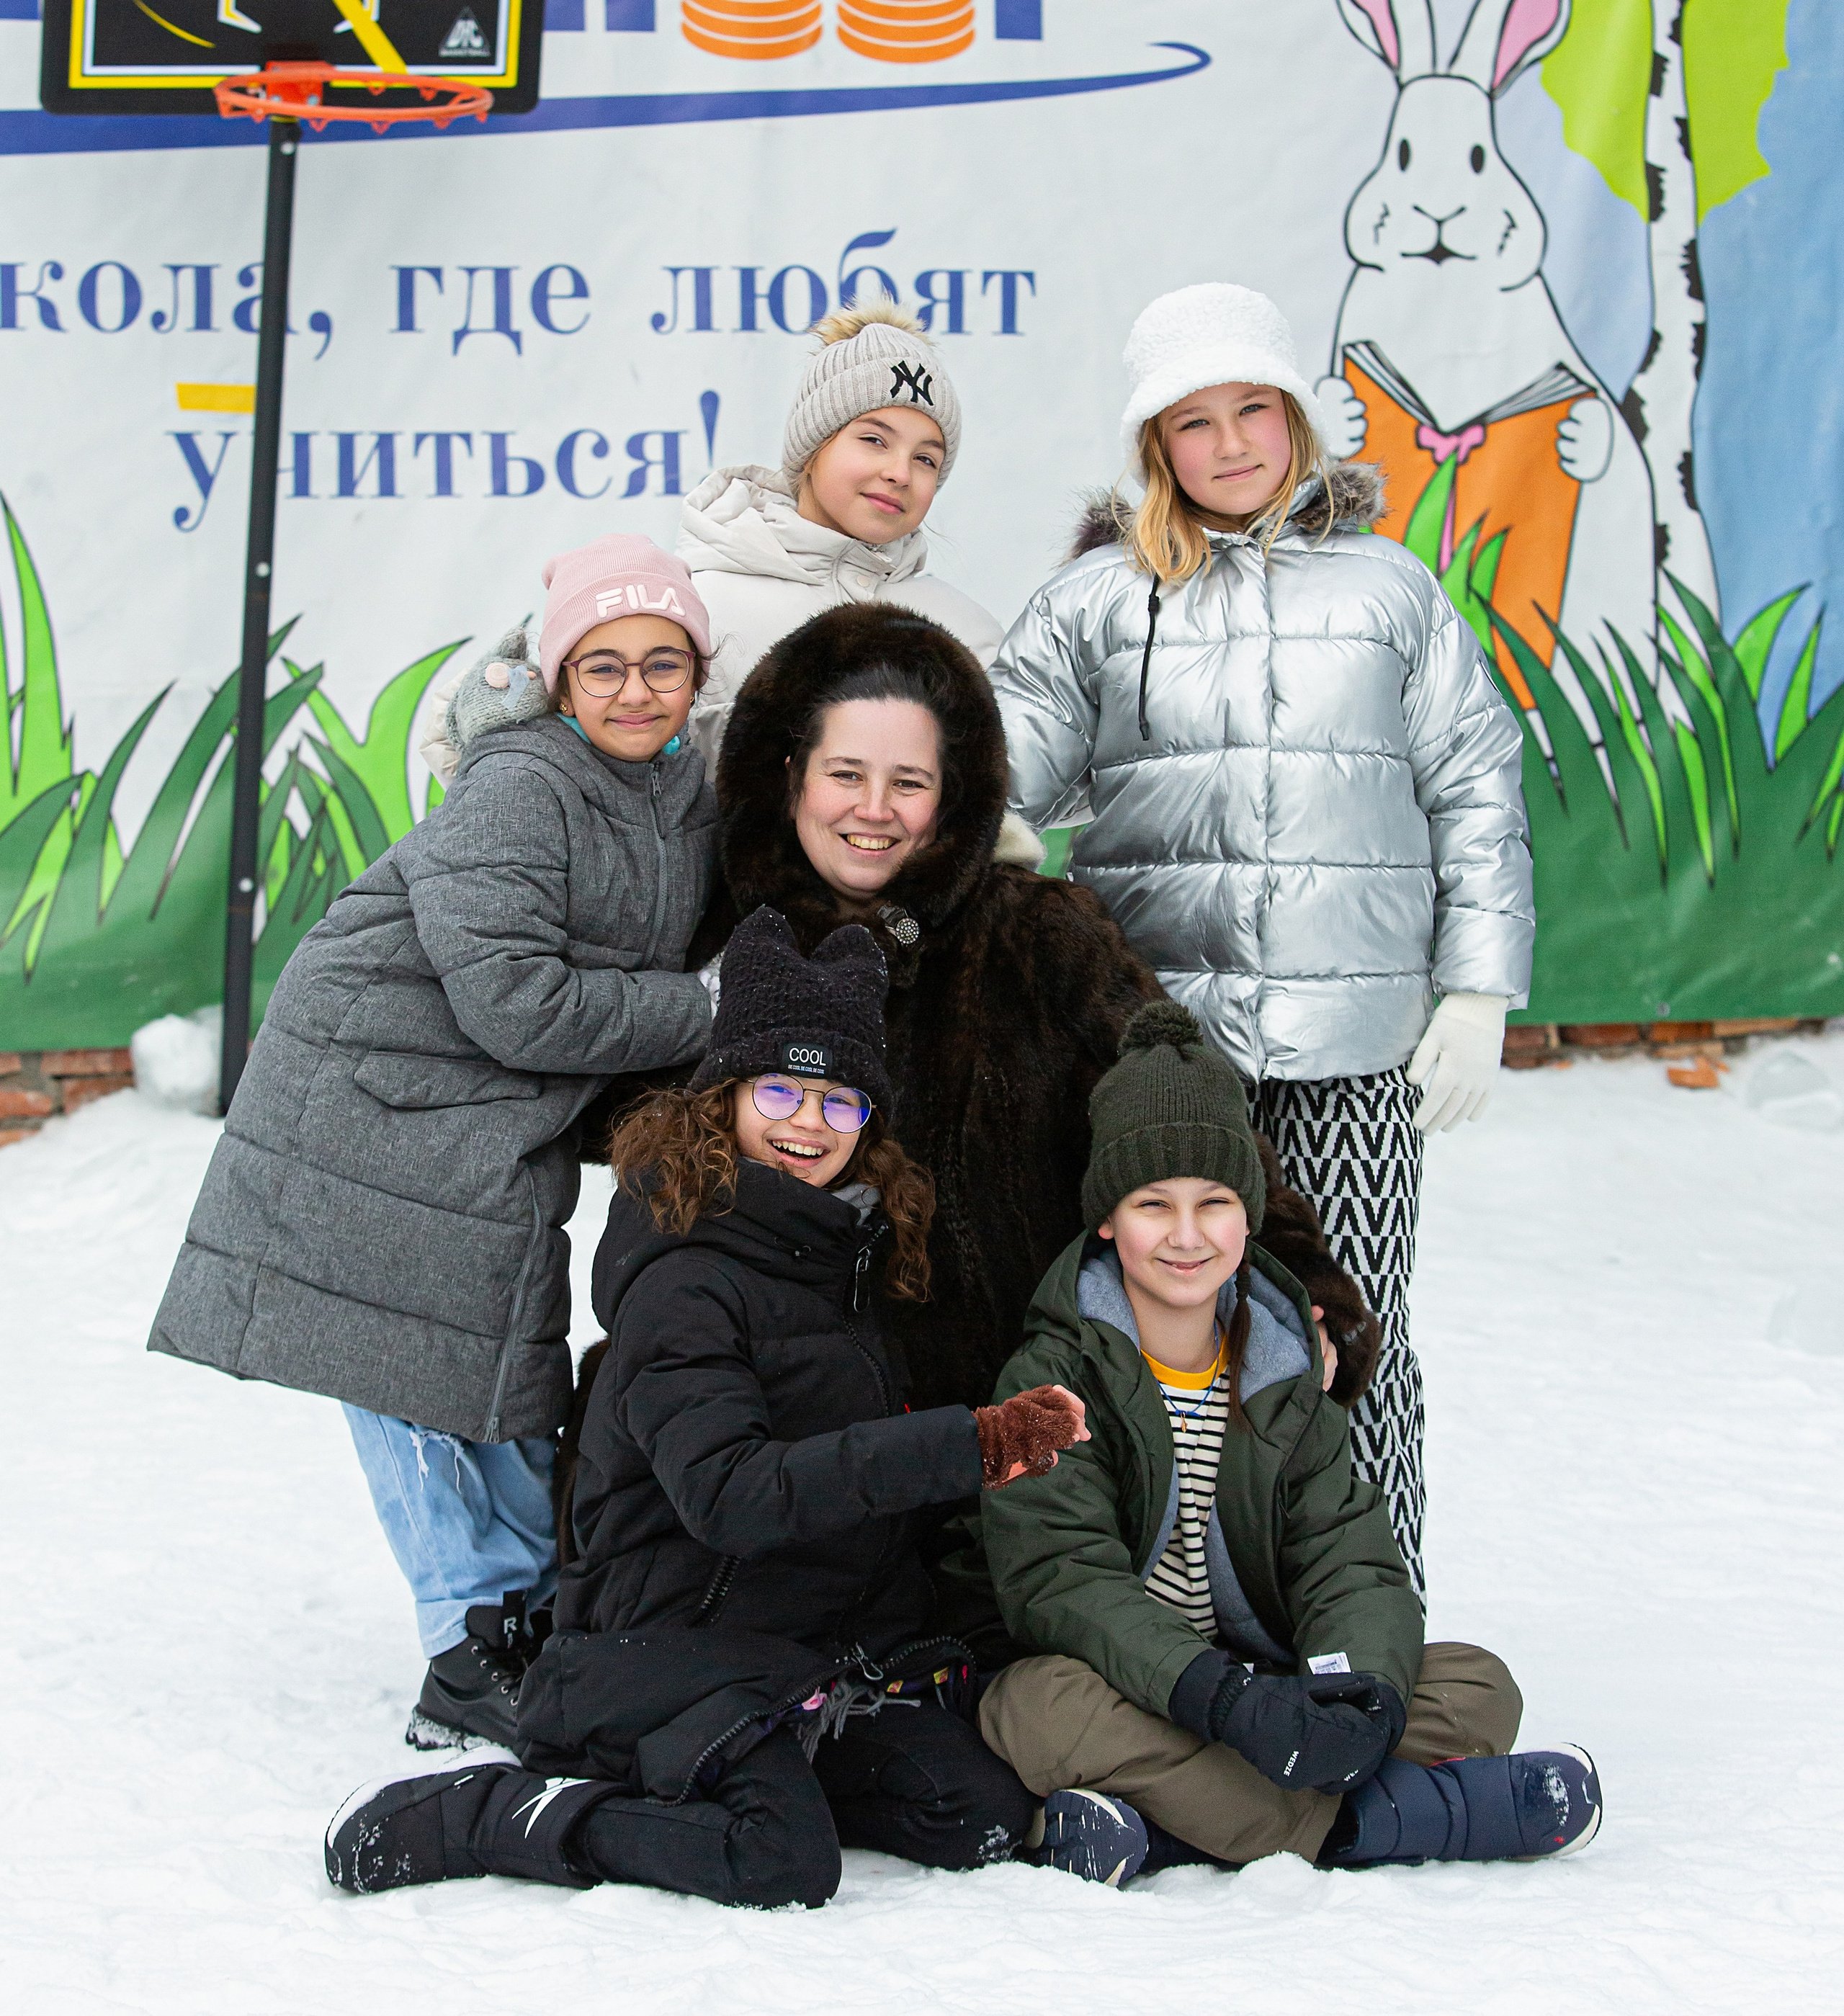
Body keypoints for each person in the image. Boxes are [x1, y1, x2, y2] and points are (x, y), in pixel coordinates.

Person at [323, 905, 1088, 1909]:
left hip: (796, 1654)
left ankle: (748, 1760)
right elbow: (737, 1497)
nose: (808, 1124)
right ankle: (494, 1811)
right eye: (779, 1089)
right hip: (657, 1649)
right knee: (779, 1857)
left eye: (840, 1100)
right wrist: (972, 1442)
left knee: (975, 1809)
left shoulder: (844, 1254)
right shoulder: (685, 1280)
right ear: (722, 1098)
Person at [988, 283, 1536, 1595]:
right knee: (1164, 1329)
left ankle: (1370, 1605)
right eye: (1195, 421)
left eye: (1255, 410)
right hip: (1160, 1050)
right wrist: (979, 822)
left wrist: (1477, 987)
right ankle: (1172, 1612)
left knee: (1353, 1327)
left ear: (1296, 417)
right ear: (1154, 445)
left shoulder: (1391, 589)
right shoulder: (1100, 600)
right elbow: (1005, 752)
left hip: (1352, 1049)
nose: (1231, 443)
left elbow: (1475, 778)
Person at [148, 535, 720, 1750]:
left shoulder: (679, 789)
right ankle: (470, 1651)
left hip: (487, 1117)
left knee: (502, 1371)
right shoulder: (522, 783)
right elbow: (517, 996)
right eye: (603, 664)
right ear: (560, 682)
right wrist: (715, 1007)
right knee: (413, 1382)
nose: (633, 689)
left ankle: (526, 1617)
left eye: (661, 662)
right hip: (373, 1105)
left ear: (696, 673)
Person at [694, 602, 1382, 1423]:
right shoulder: (723, 939)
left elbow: (1188, 1111)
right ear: (789, 775)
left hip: (1025, 1426)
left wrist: (1299, 1287)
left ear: (953, 797)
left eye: (909, 782)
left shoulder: (1040, 930)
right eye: (845, 774)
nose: (873, 809)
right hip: (785, 1429)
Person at [962, 1001, 1599, 1884]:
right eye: (1154, 1204)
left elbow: (1350, 1559)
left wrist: (1356, 1693)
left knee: (1475, 1682)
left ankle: (1172, 1832)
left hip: (1269, 1678)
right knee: (1031, 1710)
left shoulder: (1279, 1361)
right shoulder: (1046, 1378)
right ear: (1108, 1220)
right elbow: (1058, 1581)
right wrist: (1220, 1699)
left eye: (1214, 1204)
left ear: (1249, 1216)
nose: (1187, 1236)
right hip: (1138, 1685)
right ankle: (1379, 1823)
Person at [677, 297, 1003, 771]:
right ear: (812, 448)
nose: (900, 473)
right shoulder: (699, 610)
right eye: (874, 440)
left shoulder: (968, 634)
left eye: (926, 459)